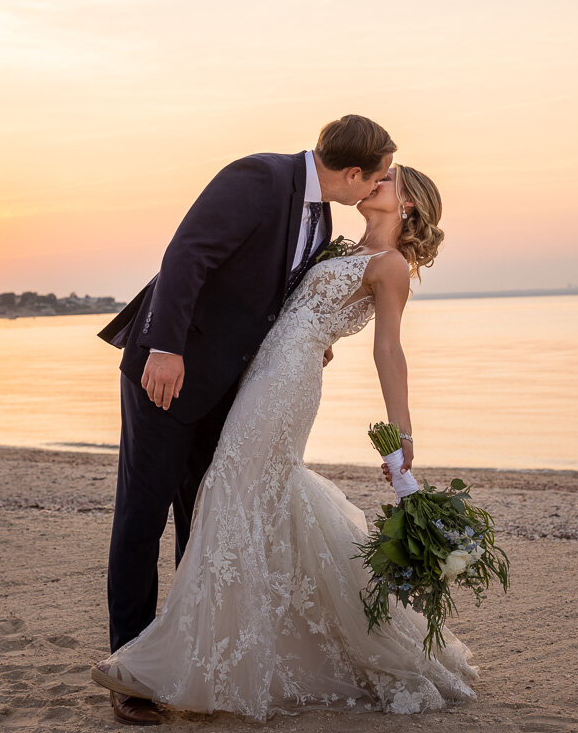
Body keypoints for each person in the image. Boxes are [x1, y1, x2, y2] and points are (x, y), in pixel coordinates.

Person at [91, 164, 479, 722]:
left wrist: (401, 437)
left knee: (229, 493)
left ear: (410, 206)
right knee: (232, 500)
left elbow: (388, 351)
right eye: (375, 175)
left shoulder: (390, 265)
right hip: (250, 372)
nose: (375, 182)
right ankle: (194, 650)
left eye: (388, 180)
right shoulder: (333, 242)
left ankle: (176, 656)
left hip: (285, 384)